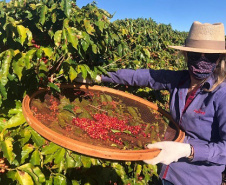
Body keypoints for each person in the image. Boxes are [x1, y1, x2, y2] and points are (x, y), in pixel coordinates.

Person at [75, 21, 226, 185]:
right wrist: (100, 76)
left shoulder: (222, 95)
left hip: (198, 179)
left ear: (219, 59)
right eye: (196, 56)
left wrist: (188, 151)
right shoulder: (178, 80)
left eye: (209, 57)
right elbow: (140, 76)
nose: (200, 62)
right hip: (167, 172)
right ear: (186, 56)